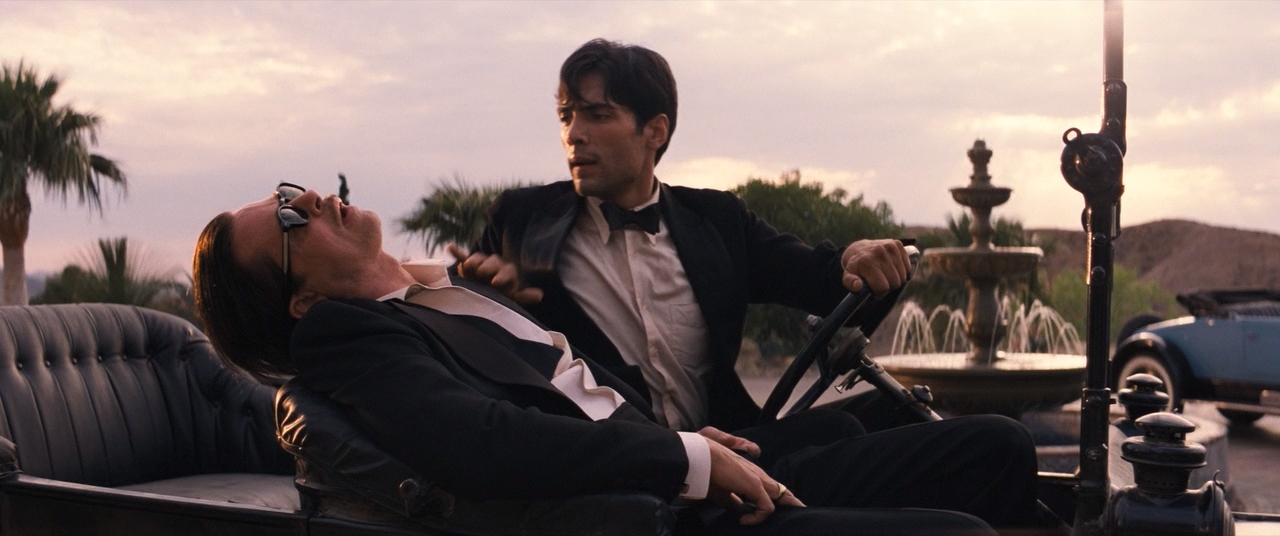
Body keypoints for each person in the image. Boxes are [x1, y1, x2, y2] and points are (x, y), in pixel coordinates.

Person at [192, 184, 1043, 534]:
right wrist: (684, 458)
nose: (312, 199)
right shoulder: (344, 338)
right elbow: (482, 443)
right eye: (293, 220)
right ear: (301, 301)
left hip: (683, 457)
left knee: (996, 444)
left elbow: (566, 386)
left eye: (292, 191)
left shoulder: (439, 291)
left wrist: (692, 442)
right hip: (648, 508)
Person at [453, 38, 906, 434]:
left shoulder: (717, 220)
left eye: (596, 115)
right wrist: (481, 299)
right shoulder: (522, 222)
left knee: (897, 409)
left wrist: (857, 257)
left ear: (655, 131)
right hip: (619, 464)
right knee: (835, 430)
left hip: (735, 451)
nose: (574, 134)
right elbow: (460, 332)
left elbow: (821, 279)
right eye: (566, 115)